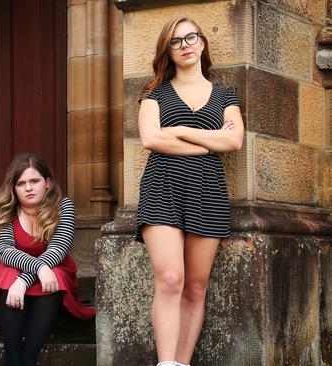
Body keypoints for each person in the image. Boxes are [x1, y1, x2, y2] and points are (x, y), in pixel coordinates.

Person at [135, 16, 244, 366]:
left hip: (207, 192)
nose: (185, 46)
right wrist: (206, 144)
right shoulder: (154, 95)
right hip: (162, 189)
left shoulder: (226, 95)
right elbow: (151, 138)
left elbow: (234, 140)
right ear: (167, 50)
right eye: (176, 41)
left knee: (195, 287)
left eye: (190, 38)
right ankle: (166, 363)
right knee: (170, 279)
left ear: (202, 43)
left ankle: (181, 363)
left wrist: (179, 129)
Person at [0, 153, 95, 366]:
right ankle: (13, 358)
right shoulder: (5, 209)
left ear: (48, 183)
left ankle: (29, 358)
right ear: (13, 188)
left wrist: (25, 279)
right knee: (9, 275)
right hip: (7, 268)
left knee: (56, 273)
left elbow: (59, 249)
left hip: (50, 270)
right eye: (21, 183)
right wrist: (35, 270)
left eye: (34, 181)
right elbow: (5, 251)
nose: (28, 188)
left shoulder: (64, 207)